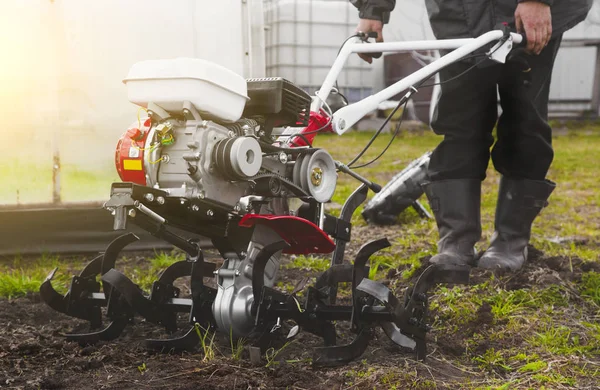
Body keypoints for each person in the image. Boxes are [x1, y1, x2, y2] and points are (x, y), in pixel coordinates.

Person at [350, 0, 593, 271]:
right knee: (460, 121)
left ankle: (511, 240)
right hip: (459, 13)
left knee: (525, 121)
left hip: (527, 12)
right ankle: (456, 240)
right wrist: (373, 9)